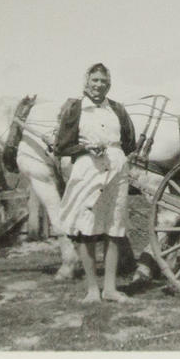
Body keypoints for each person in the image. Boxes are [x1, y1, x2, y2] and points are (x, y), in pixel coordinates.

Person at [53, 63, 136, 303]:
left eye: (103, 81)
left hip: (116, 169)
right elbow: (62, 146)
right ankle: (92, 290)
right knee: (86, 229)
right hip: (87, 170)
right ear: (86, 83)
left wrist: (113, 152)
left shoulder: (117, 110)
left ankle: (109, 289)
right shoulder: (76, 109)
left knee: (114, 227)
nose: (99, 85)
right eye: (95, 81)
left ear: (108, 85)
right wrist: (85, 148)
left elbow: (129, 142)